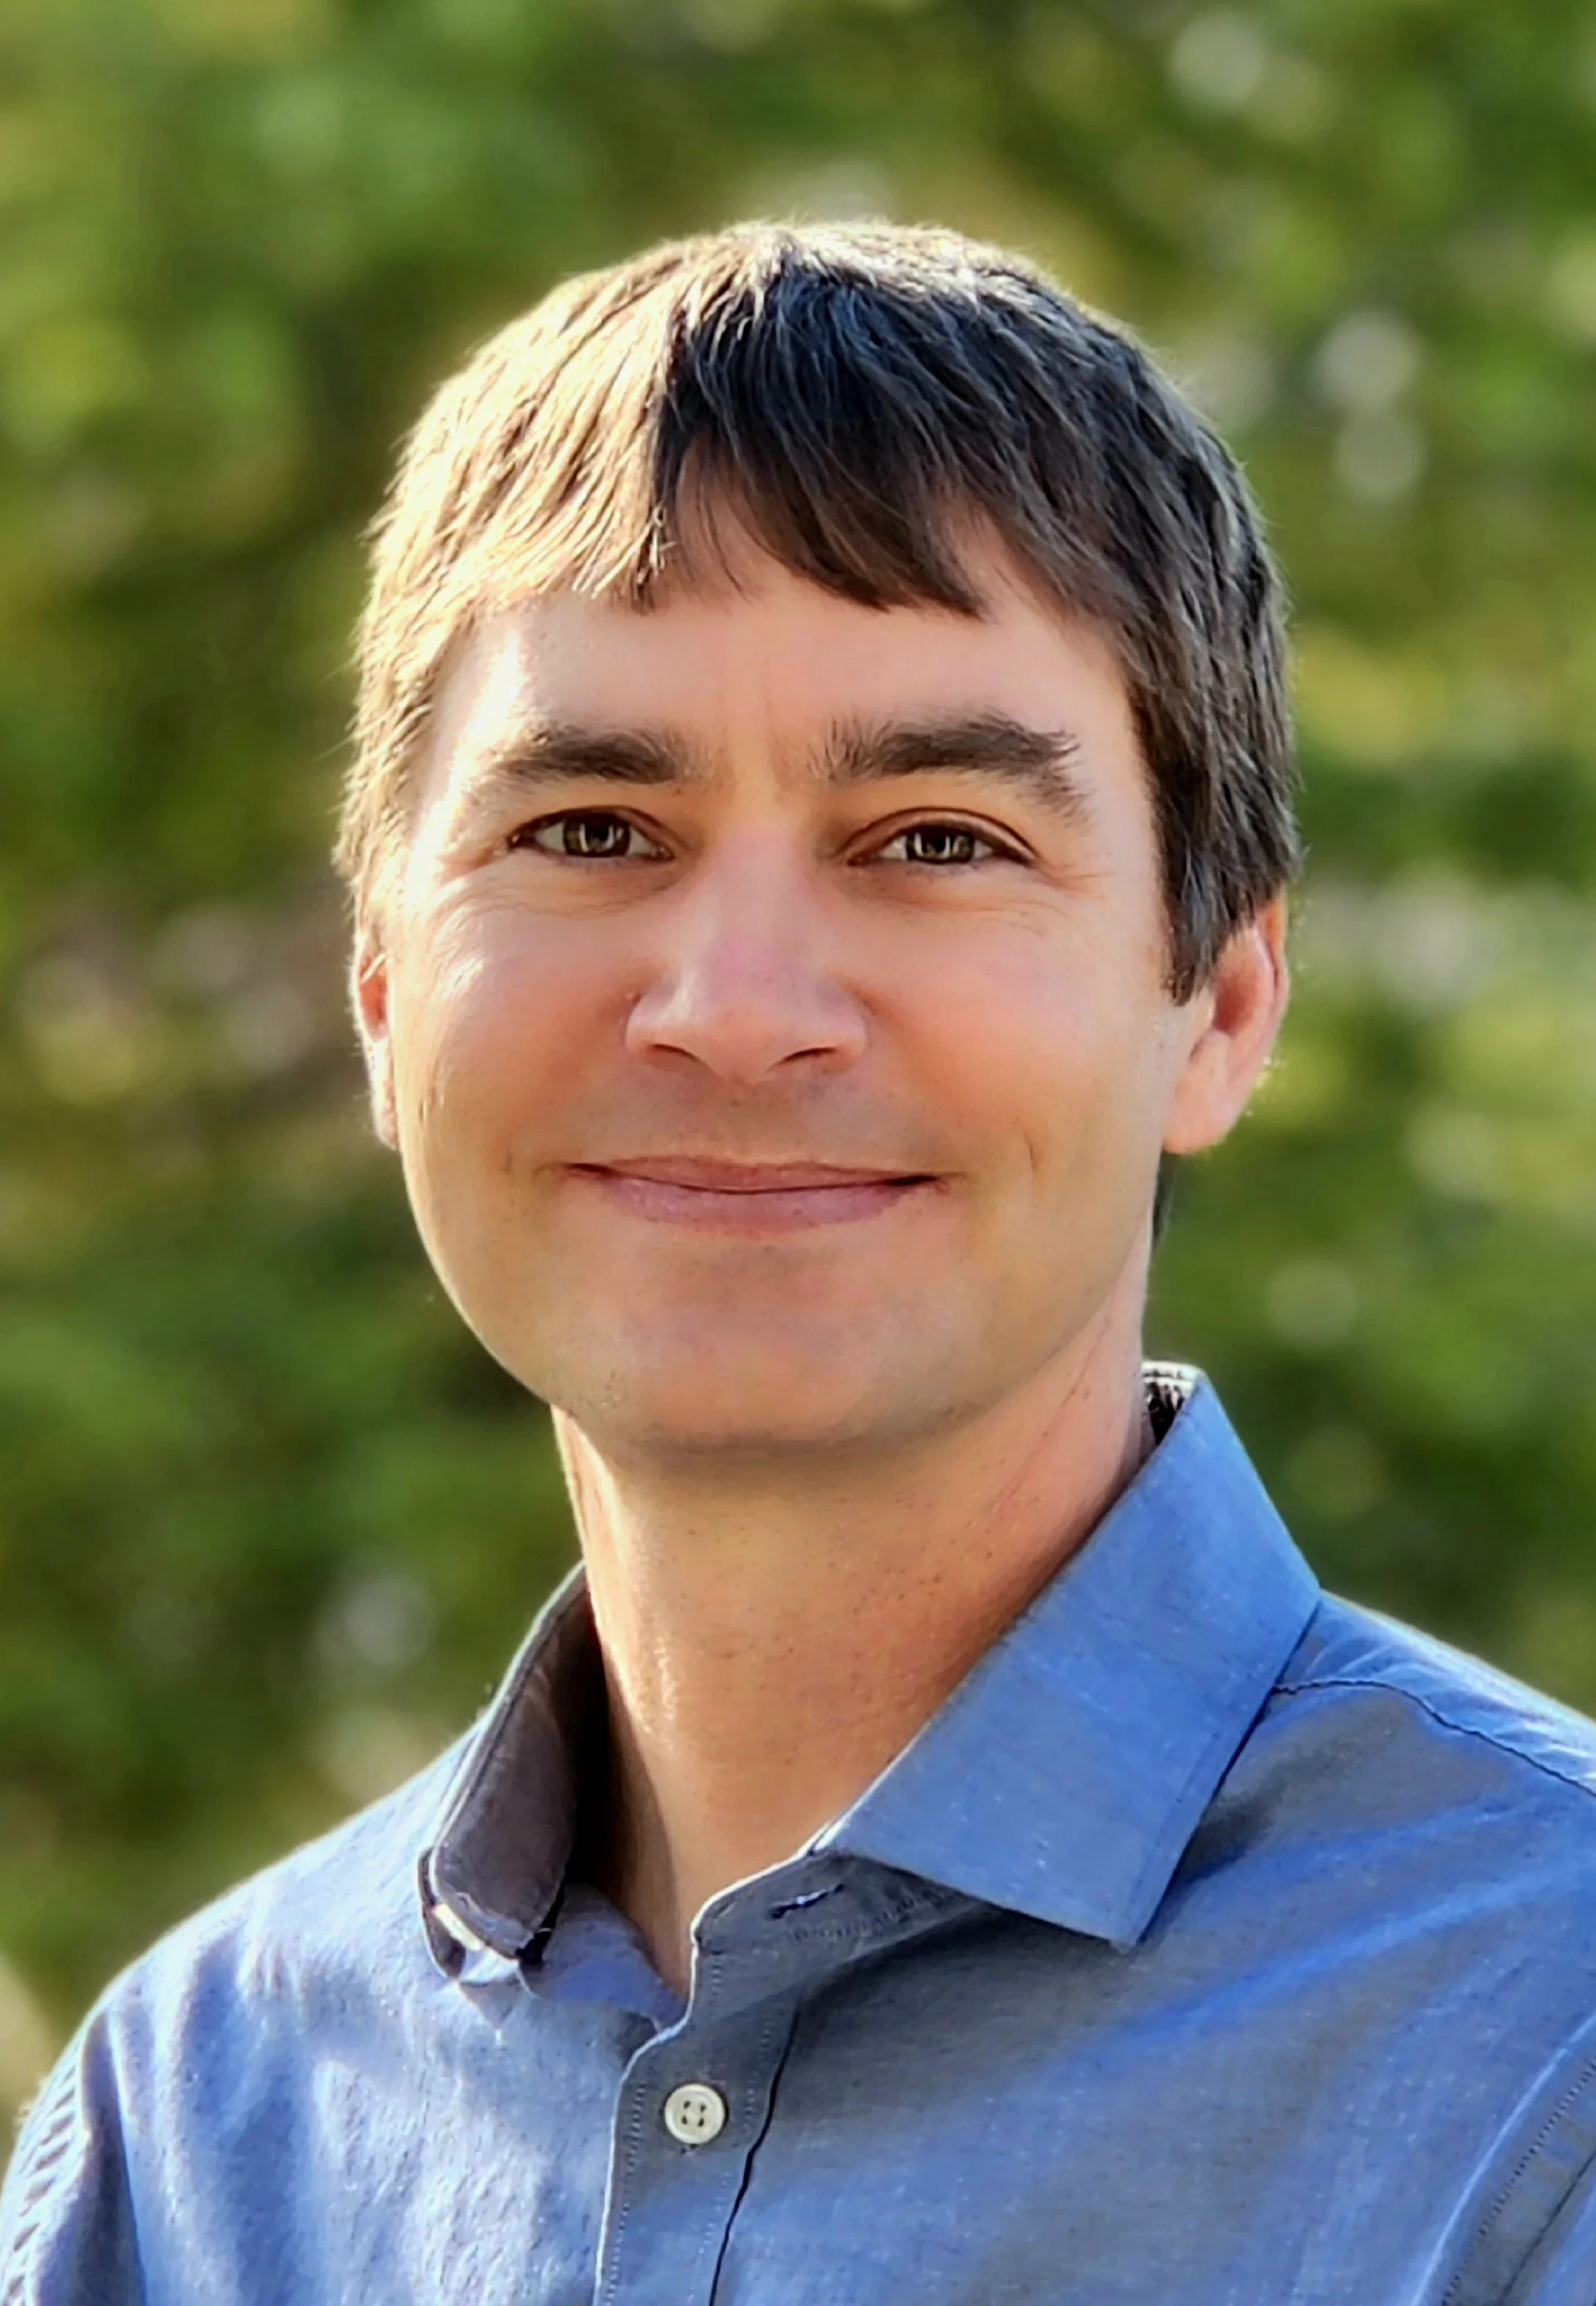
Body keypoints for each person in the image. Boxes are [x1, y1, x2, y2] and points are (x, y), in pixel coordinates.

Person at [5, 219, 1596, 2306]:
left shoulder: (1547, 2049)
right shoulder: (194, 2128)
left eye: (938, 838)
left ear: (1216, 1000)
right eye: (590, 831)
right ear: (386, 997)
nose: (735, 1007)